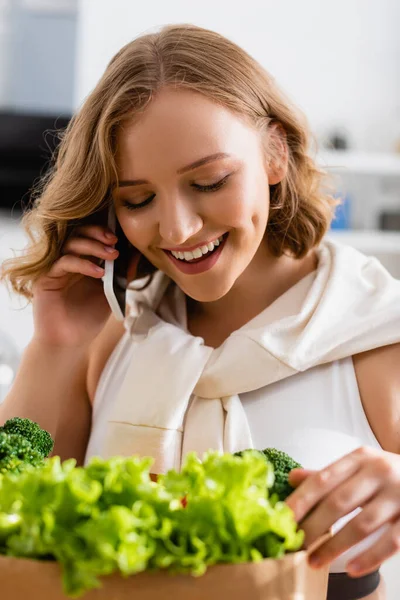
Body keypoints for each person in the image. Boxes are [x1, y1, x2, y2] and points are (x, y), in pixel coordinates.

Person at [1, 23, 400, 600]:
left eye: (209, 182)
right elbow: (17, 523)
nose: (177, 229)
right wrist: (56, 345)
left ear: (274, 154)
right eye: (137, 199)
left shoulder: (376, 335)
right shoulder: (112, 340)